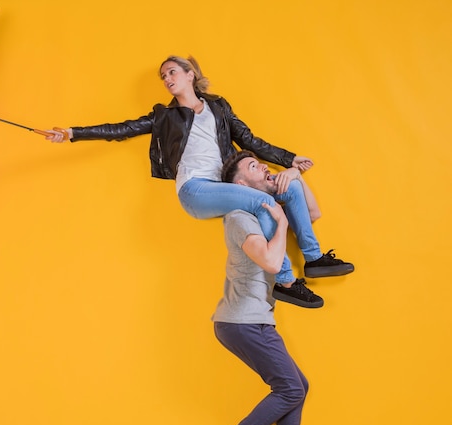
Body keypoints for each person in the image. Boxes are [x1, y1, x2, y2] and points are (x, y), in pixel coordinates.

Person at [45, 55, 353, 308]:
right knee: (265, 202)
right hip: (195, 190)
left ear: (191, 74)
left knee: (292, 186)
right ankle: (285, 281)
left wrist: (289, 159)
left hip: (227, 185)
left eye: (172, 72)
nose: (167, 79)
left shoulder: (219, 107)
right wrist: (72, 133)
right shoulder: (164, 116)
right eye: (163, 76)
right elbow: (121, 129)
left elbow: (249, 139)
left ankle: (313, 259)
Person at [203, 150, 331, 425]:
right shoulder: (240, 216)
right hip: (240, 322)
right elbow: (273, 262)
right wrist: (284, 222)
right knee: (290, 388)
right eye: (254, 166)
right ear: (241, 184)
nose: (264, 167)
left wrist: (295, 176)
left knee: (296, 386)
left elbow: (315, 212)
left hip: (255, 320)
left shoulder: (266, 213)